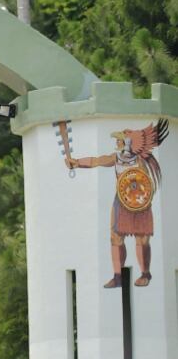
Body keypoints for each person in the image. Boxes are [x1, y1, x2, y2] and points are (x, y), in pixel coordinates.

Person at [66, 119, 168, 287]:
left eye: (120, 139)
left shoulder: (140, 161)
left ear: (128, 142)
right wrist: (77, 162)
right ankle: (117, 276)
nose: (117, 142)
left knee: (142, 239)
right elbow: (96, 161)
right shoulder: (116, 158)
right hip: (121, 201)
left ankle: (145, 273)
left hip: (139, 202)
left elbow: (143, 182)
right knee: (116, 237)